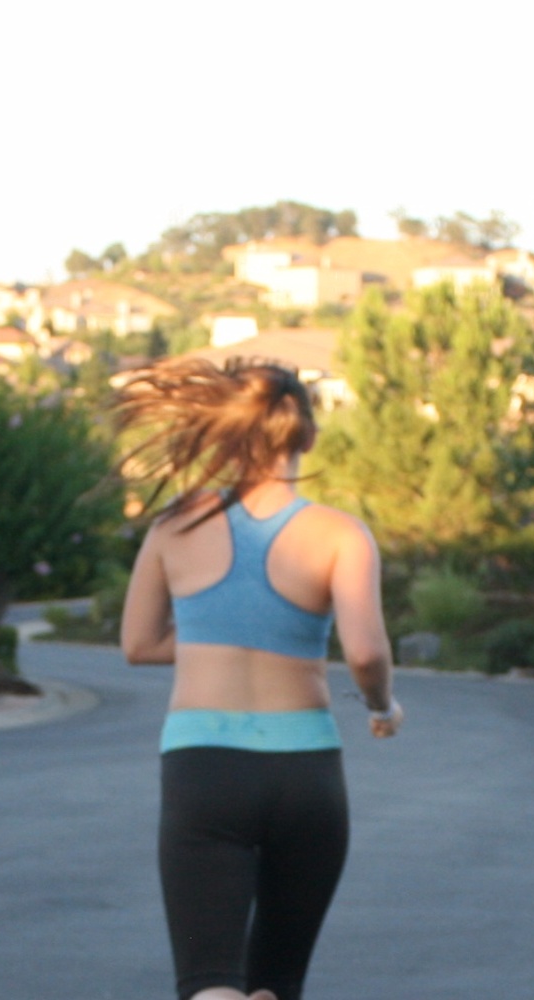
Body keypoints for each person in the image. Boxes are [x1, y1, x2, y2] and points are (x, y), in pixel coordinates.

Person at [112, 356, 403, 1000]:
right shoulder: (340, 535)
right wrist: (382, 706)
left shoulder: (174, 526)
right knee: (277, 982)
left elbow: (138, 643)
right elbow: (365, 654)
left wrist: (218, 644)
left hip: (204, 769)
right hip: (306, 773)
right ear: (309, 435)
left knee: (210, 980)